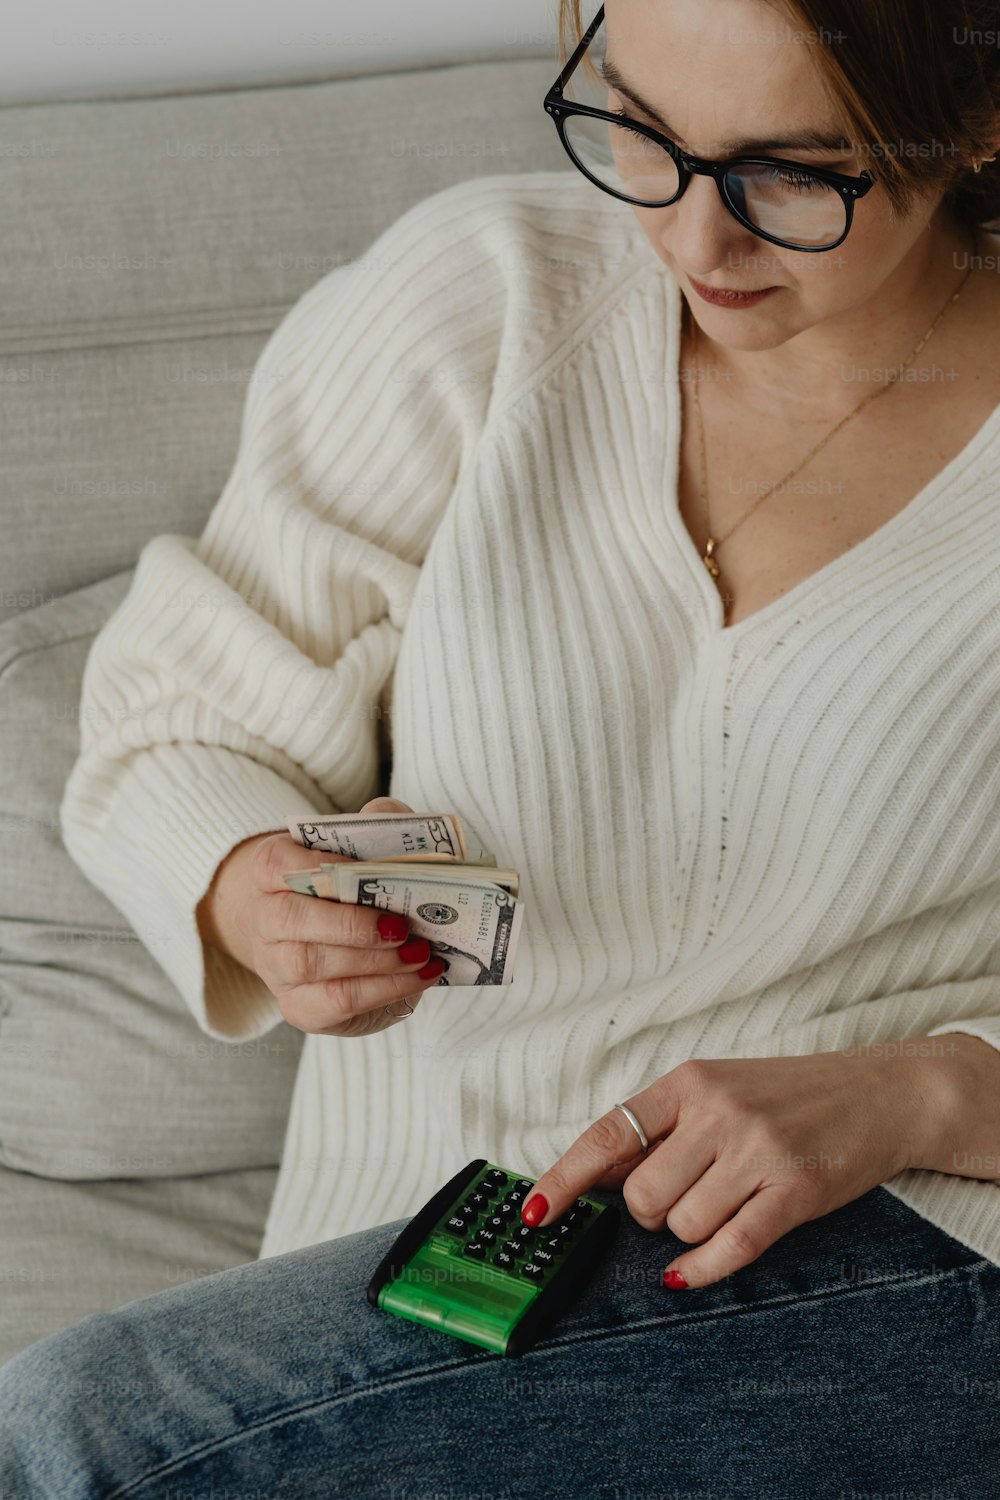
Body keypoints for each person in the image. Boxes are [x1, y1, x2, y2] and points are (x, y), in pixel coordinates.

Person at [3, 0, 1000, 1492]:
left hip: (899, 1255)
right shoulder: (489, 300)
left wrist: (926, 1092)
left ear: (977, 122)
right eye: (641, 131)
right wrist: (245, 887)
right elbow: (186, 709)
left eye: (790, 174)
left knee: (83, 1431)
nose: (694, 243)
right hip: (406, 1285)